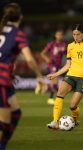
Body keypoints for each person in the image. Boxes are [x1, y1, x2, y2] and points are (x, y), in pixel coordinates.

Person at [0, 3, 46, 149]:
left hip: (5, 79)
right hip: (0, 79)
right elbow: (30, 59)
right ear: (21, 17)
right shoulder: (17, 33)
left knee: (16, 114)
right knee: (5, 122)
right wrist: (39, 77)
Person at [39, 30, 67, 105]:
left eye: (61, 35)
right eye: (58, 34)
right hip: (52, 65)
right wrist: (47, 59)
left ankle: (43, 85)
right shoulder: (51, 44)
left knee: (56, 82)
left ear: (62, 36)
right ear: (55, 36)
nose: (59, 36)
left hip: (58, 65)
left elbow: (67, 54)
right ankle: (50, 98)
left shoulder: (63, 45)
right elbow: (42, 53)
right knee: (54, 81)